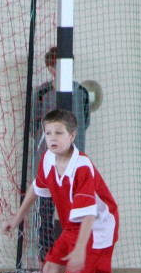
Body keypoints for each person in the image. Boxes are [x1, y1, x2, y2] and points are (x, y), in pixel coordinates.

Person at [2, 108, 121, 273]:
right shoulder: (48, 159)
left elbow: (89, 215)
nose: (52, 138)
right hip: (73, 227)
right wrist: (17, 218)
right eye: (48, 133)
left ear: (73, 135)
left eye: (59, 133)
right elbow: (37, 187)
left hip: (97, 228)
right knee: (51, 271)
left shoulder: (82, 167)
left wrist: (79, 249)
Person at [30, 46, 94, 262]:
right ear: (50, 68)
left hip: (73, 167)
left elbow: (84, 123)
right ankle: (46, 258)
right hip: (49, 167)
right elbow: (34, 127)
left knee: (73, 212)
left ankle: (72, 257)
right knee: (46, 212)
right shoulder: (42, 93)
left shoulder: (81, 93)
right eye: (55, 66)